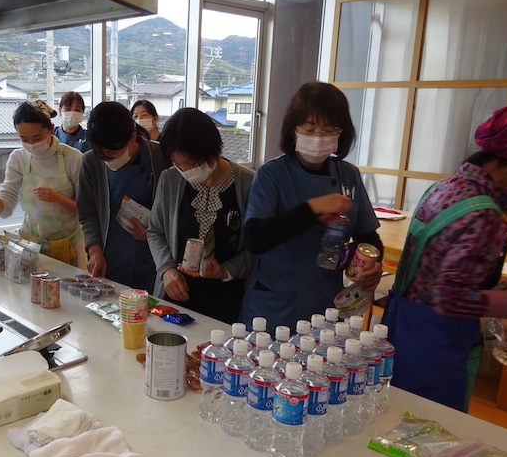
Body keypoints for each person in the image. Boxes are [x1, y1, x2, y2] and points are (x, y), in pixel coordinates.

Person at [384, 105, 507, 411]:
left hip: (401, 325)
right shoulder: (483, 214)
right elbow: (451, 299)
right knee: (432, 424)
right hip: (437, 344)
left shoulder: (444, 187)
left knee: (395, 411)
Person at [240, 81, 383, 330]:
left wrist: (373, 266)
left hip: (326, 302)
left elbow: (369, 237)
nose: (319, 137)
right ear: (293, 130)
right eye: (310, 128)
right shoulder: (271, 175)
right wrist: (312, 209)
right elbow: (256, 239)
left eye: (329, 129)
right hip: (274, 306)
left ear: (342, 132)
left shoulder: (348, 175)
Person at [148, 108, 254, 324]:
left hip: (227, 303)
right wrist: (166, 270)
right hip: (175, 298)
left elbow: (259, 249)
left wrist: (226, 270)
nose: (186, 171)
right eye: (178, 165)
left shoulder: (249, 184)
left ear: (213, 150)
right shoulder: (170, 180)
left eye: (192, 164)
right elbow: (155, 232)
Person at [0, 101, 86, 267]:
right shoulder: (18, 158)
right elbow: (4, 210)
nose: (31, 144)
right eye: (24, 139)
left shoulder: (73, 158)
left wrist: (57, 198)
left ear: (51, 129)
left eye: (37, 138)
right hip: (30, 245)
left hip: (68, 245)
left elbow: (86, 211)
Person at [77, 101, 168, 290]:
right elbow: (88, 212)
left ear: (132, 137)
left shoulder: (160, 157)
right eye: (101, 154)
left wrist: (154, 233)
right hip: (112, 258)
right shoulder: (91, 162)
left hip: (153, 260)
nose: (107, 159)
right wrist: (94, 249)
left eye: (112, 153)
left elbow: (176, 214)